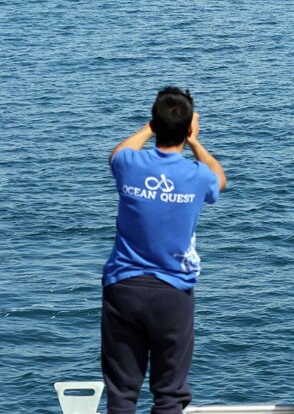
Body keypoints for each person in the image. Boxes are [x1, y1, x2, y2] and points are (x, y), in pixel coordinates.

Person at [101, 87, 226, 414]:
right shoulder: (197, 175)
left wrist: (150, 127)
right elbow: (220, 180)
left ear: (154, 125)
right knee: (169, 394)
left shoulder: (129, 165)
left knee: (122, 394)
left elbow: (118, 152)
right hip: (172, 291)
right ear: (187, 129)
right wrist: (196, 142)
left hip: (122, 287)